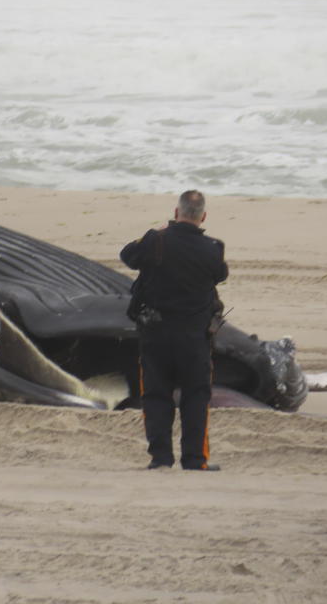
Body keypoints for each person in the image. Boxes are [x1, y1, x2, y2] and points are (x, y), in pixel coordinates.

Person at [120, 190, 228, 472]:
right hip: (194, 337)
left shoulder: (156, 241)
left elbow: (127, 255)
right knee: (196, 396)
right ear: (203, 216)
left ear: (176, 212)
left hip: (155, 333)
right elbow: (221, 274)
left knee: (156, 395)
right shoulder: (213, 249)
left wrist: (156, 233)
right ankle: (195, 460)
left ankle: (160, 459)